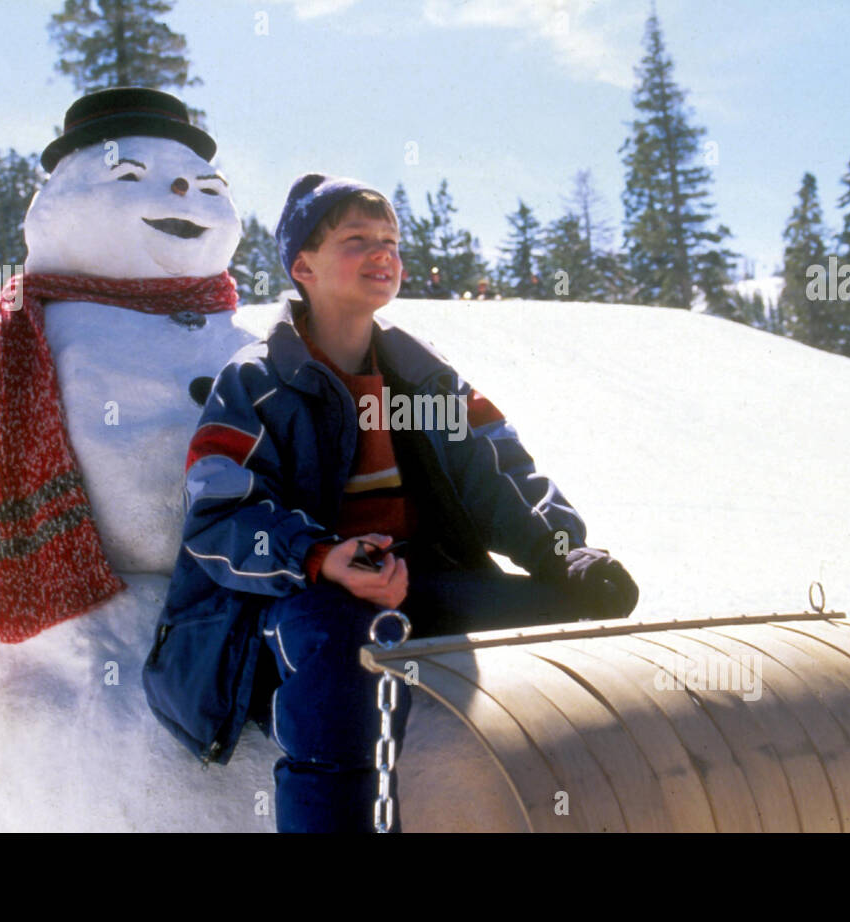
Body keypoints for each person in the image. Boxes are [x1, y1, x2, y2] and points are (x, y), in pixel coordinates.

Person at [143, 173, 638, 834]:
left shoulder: (420, 375)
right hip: (283, 603)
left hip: (414, 584)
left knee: (572, 621)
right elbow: (221, 516)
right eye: (357, 240)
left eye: (391, 242)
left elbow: (500, 475)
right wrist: (322, 556)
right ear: (303, 266)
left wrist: (565, 553)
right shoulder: (258, 381)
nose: (383, 254)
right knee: (349, 644)